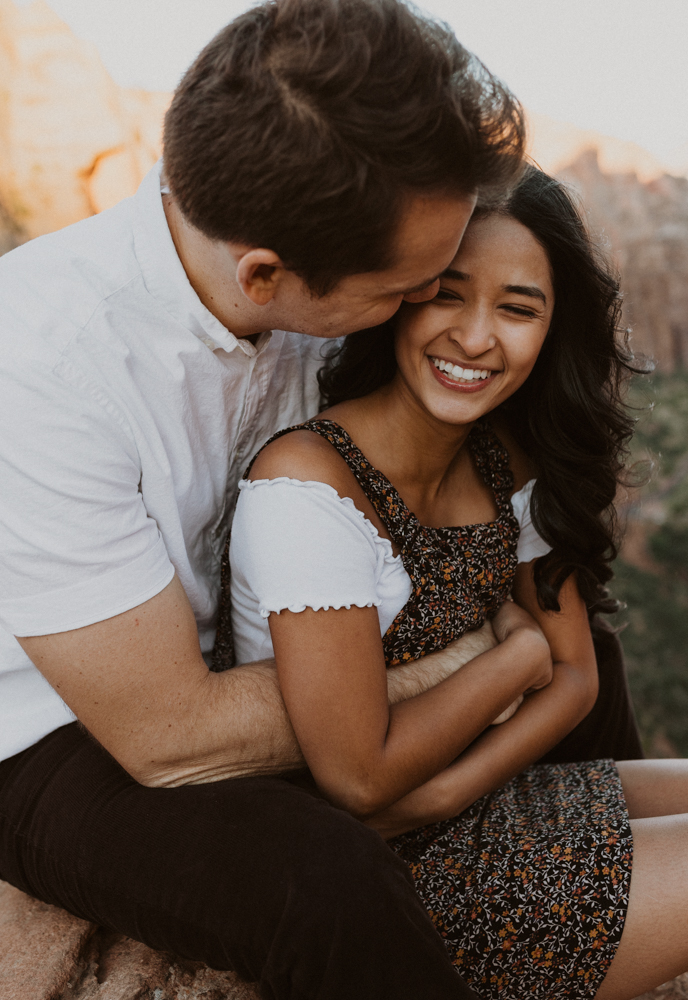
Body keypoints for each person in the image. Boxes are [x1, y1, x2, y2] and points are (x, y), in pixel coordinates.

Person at [0, 1, 527, 997]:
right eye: (403, 288)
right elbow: (167, 736)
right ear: (266, 274)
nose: (426, 308)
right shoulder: (39, 370)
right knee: (323, 886)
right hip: (53, 727)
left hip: (269, 645)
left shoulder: (302, 260)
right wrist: (467, 664)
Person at [225, 165, 688, 1000]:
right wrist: (514, 664)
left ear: (553, 329)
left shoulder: (503, 456)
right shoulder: (308, 487)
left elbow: (577, 675)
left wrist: (441, 789)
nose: (476, 339)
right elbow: (360, 782)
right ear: (397, 295)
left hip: (491, 796)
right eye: (446, 294)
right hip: (380, 882)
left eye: (517, 308)